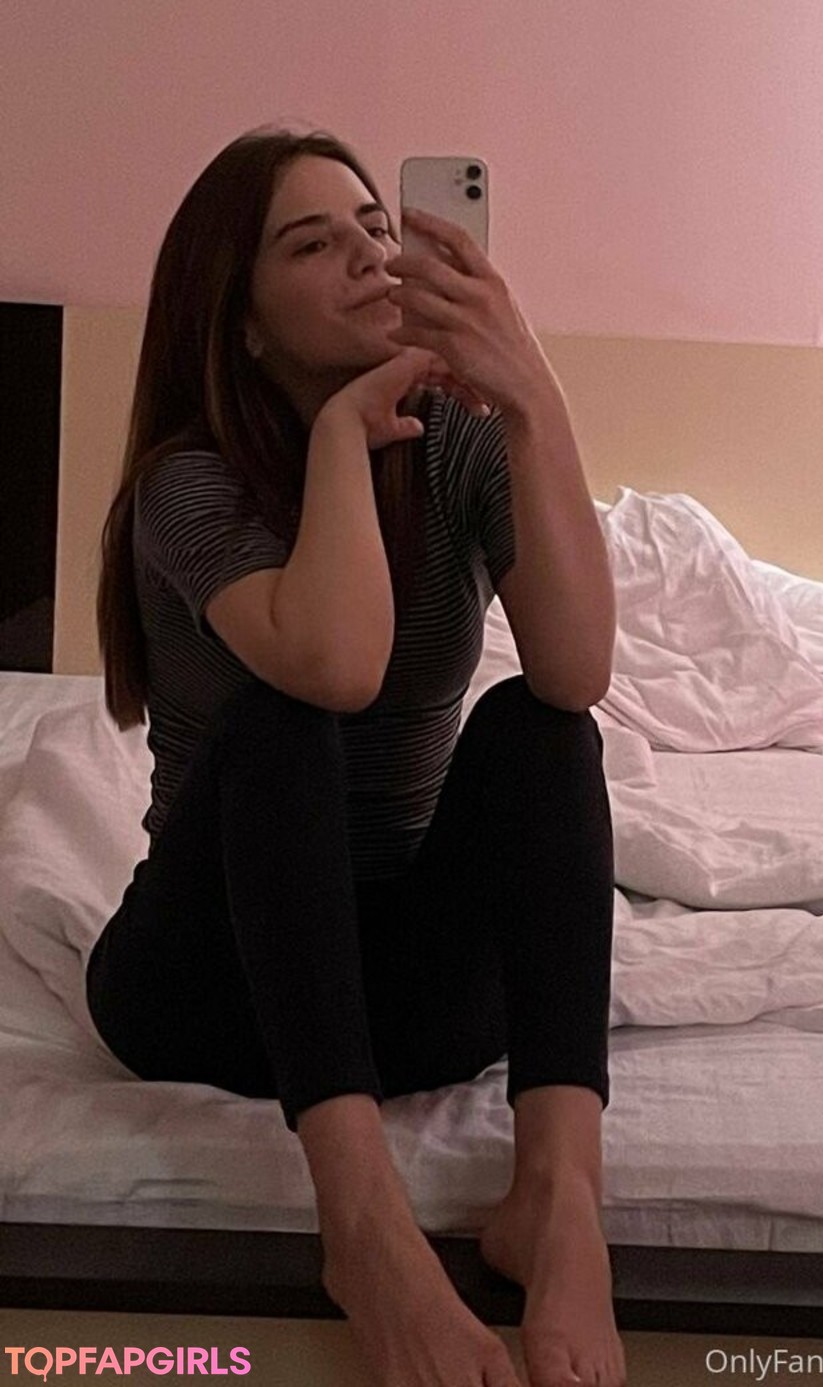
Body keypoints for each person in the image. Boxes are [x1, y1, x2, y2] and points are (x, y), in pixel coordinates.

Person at [88, 126, 624, 1387]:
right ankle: (366, 1228)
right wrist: (339, 437)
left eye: (377, 228)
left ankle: (558, 1194)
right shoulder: (189, 484)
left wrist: (531, 395)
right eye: (312, 244)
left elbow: (576, 668)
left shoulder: (466, 444)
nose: (370, 257)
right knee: (283, 720)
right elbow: (336, 668)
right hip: (211, 982)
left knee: (543, 729)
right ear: (243, 322)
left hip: (406, 993)